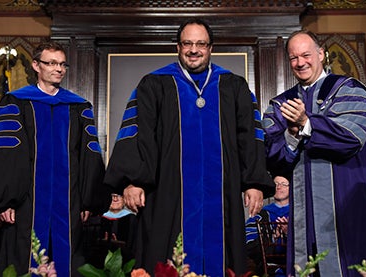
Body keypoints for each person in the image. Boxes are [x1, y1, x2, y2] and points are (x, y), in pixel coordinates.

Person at [103, 18, 275, 276]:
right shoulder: (154, 84)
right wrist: (132, 181)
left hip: (221, 197)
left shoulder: (233, 86)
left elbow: (250, 137)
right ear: (178, 46)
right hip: (166, 194)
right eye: (187, 43)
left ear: (211, 48)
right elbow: (138, 134)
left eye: (201, 44)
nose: (194, 49)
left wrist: (253, 183)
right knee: (164, 258)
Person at [0, 41, 106, 277]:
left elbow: (89, 154)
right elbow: (2, 156)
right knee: (24, 258)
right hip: (26, 203)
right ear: (36, 65)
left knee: (68, 259)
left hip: (68, 202)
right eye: (52, 63)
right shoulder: (15, 103)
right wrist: (3, 202)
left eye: (62, 64)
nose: (58, 69)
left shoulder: (78, 107)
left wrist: (88, 200)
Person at [262, 29, 366, 276]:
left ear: (321, 54)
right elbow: (273, 158)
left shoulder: (350, 90)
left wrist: (306, 123)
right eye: (293, 58)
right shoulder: (281, 105)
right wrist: (292, 133)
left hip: (346, 210)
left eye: (306, 55)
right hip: (304, 219)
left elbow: (350, 138)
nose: (300, 62)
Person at [245, 175, 290, 276]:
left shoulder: (300, 215)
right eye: (276, 184)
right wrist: (274, 237)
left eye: (284, 184)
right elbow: (249, 247)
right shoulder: (259, 216)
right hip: (268, 269)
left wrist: (288, 234)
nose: (279, 187)